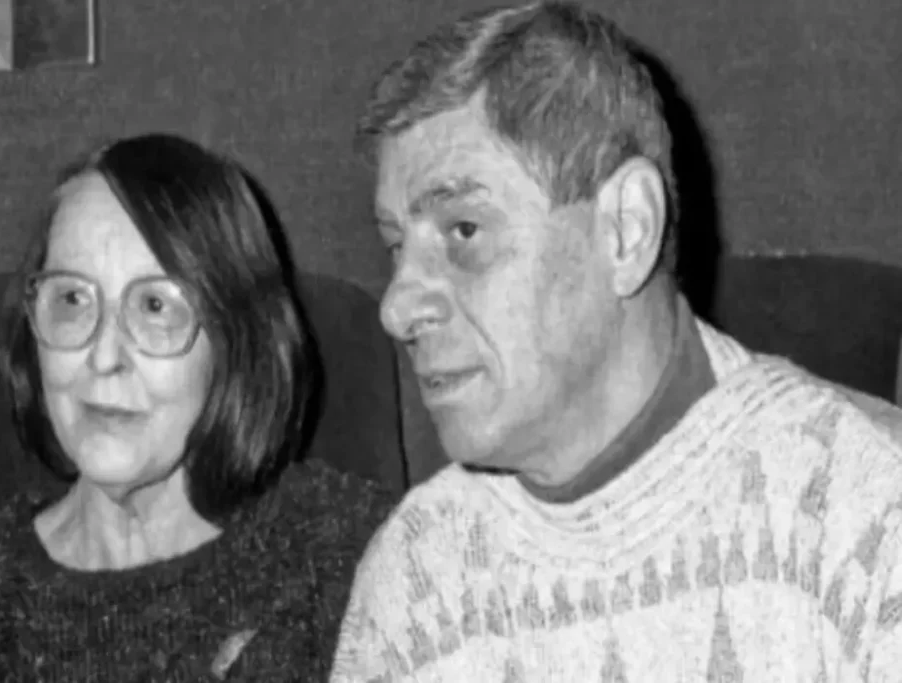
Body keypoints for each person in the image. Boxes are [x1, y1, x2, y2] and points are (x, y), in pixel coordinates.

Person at [330, 2, 902, 680]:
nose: (397, 307)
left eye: (464, 232)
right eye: (396, 246)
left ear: (627, 230)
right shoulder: (414, 581)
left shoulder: (863, 512)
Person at [0, 133, 397, 681]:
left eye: (154, 305)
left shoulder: (348, 560)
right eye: (72, 299)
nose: (104, 357)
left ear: (236, 340)